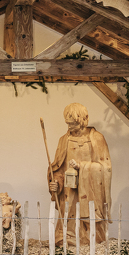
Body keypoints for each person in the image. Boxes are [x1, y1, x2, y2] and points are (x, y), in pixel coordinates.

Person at [48, 103, 112, 245]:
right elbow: (59, 168)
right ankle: (68, 239)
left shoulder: (96, 139)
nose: (70, 128)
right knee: (64, 234)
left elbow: (105, 167)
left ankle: (90, 239)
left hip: (90, 192)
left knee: (93, 232)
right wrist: (56, 183)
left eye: (74, 124)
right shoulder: (64, 140)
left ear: (83, 121)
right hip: (69, 192)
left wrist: (82, 167)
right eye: (68, 124)